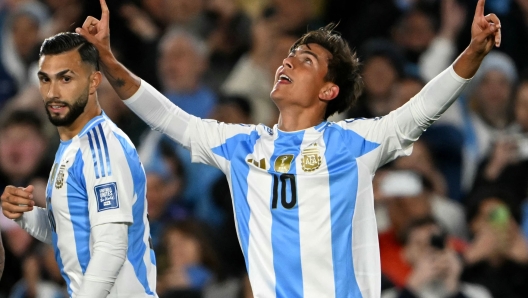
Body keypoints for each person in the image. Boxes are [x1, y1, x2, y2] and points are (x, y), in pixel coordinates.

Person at [78, 0, 501, 296]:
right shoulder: (241, 146)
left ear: (329, 89)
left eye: (306, 61)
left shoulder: (353, 143)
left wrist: (473, 52)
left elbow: (421, 110)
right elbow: (168, 116)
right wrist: (108, 60)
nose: (287, 62)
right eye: (290, 55)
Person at [0, 32, 157, 297]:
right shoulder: (70, 148)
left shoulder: (102, 148)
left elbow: (111, 248)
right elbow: (73, 232)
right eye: (45, 80)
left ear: (93, 81)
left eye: (66, 78)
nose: (53, 92)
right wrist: (24, 215)